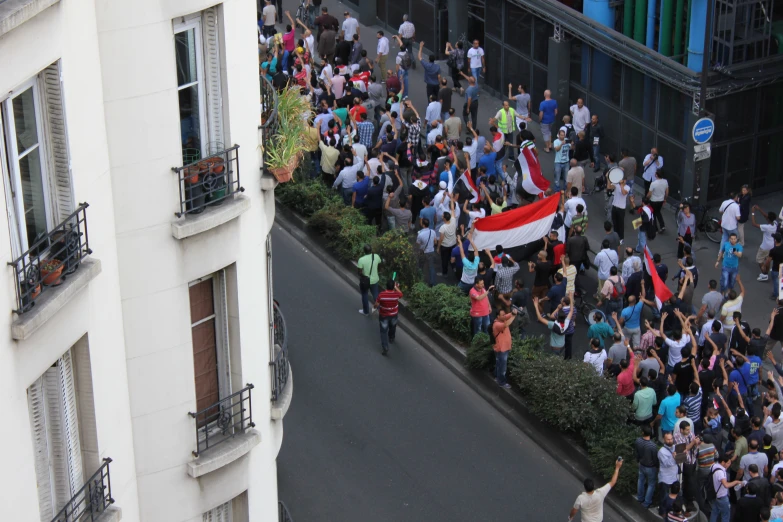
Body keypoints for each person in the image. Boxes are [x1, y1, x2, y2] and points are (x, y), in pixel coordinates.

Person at [708, 453, 742, 522]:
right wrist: (736, 482)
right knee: (725, 515)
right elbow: (726, 485)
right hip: (722, 496)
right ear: (723, 462)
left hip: (715, 495)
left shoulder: (714, 466)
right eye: (728, 463)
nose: (729, 464)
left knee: (714, 512)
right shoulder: (721, 472)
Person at [374, 279, 403, 355]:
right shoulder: (396, 295)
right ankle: (391, 338)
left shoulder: (382, 295)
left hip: (384, 315)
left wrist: (375, 307)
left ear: (386, 286)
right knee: (393, 326)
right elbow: (401, 294)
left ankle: (385, 347)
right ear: (393, 287)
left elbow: (376, 304)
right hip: (394, 315)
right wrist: (396, 287)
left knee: (383, 331)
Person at [493, 309, 517, 389]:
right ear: (498, 316)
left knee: (499, 364)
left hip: (504, 347)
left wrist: (513, 312)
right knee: (502, 367)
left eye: (504, 314)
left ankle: (497, 377)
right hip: (502, 349)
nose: (504, 316)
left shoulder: (502, 318)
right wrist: (513, 316)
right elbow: (506, 324)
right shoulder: (497, 324)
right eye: (502, 315)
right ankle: (502, 382)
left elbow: (508, 316)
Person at [657, 432, 679, 515]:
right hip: (665, 478)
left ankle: (673, 510)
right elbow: (667, 463)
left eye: (671, 439)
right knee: (663, 497)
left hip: (674, 477)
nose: (670, 441)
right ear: (664, 440)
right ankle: (662, 513)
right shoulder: (661, 452)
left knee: (675, 495)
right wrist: (673, 457)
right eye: (668, 439)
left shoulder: (674, 448)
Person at [357, 245, 381, 316]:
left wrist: (363, 276)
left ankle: (366, 311)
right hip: (375, 279)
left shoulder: (361, 260)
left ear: (364, 251)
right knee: (376, 296)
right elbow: (379, 266)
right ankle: (381, 311)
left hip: (365, 281)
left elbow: (359, 272)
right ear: (371, 250)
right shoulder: (376, 256)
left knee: (365, 295)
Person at [416, 218, 437, 286]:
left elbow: (418, 243)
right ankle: (432, 283)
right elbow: (435, 241)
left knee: (420, 266)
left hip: (423, 252)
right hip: (431, 251)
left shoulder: (420, 234)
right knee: (431, 267)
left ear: (423, 225)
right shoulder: (433, 232)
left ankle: (420, 281)